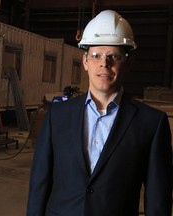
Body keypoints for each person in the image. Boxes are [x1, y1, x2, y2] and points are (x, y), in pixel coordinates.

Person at [27, 10, 172, 216]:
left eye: (114, 56)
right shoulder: (56, 116)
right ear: (85, 62)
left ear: (128, 62)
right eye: (96, 55)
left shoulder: (151, 123)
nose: (104, 63)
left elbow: (158, 199)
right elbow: (39, 185)